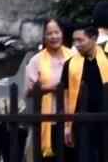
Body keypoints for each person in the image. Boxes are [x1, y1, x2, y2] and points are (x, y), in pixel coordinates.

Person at [65, 12, 108, 156]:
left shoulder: (107, 59)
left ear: (94, 38)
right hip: (82, 122)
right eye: (74, 41)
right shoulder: (69, 64)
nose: (76, 45)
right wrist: (67, 125)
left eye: (80, 40)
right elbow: (66, 96)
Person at [30, 19, 69, 158]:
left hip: (71, 118)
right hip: (47, 118)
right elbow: (29, 90)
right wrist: (49, 88)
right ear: (44, 36)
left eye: (57, 32)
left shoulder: (73, 57)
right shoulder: (36, 60)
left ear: (62, 33)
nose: (54, 37)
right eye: (49, 33)